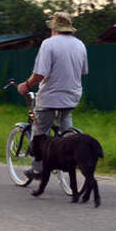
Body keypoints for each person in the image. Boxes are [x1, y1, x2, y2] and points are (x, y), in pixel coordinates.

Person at [17, 11, 88, 180]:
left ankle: (38, 168)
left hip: (50, 97)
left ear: (54, 28)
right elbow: (83, 71)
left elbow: (40, 74)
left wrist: (26, 85)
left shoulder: (49, 44)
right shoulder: (80, 45)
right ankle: (72, 151)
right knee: (65, 124)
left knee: (40, 129)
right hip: (72, 96)